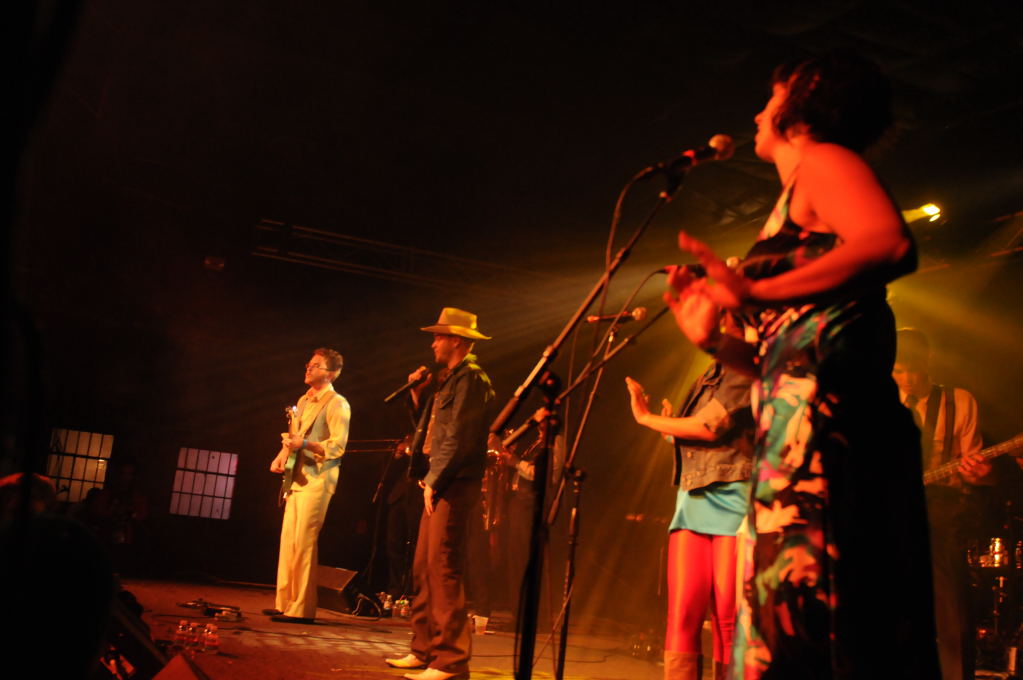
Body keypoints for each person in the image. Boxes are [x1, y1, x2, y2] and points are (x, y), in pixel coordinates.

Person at [663, 51, 940, 678]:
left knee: (829, 633)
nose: (757, 113)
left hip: (833, 446)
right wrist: (714, 342)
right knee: (795, 635)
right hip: (791, 449)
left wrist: (754, 291)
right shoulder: (792, 198)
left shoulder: (823, 159)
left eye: (771, 95)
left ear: (805, 98)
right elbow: (787, 361)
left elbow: (891, 242)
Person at [625, 358, 754, 680]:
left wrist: (646, 418)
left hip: (734, 496)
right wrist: (669, 428)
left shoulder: (744, 368)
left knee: (727, 618)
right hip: (692, 498)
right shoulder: (709, 373)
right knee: (682, 614)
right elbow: (699, 437)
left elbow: (708, 428)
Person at [385, 307, 495, 680]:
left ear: (457, 340)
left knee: (443, 566)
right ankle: (424, 648)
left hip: (453, 481)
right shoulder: (449, 380)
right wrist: (418, 396)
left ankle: (450, 660)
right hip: (438, 478)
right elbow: (430, 431)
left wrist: (435, 480)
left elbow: (459, 436)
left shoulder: (472, 379)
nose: (433, 343)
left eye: (438, 336)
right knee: (423, 567)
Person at [893, 328, 992, 680]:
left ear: (928, 361)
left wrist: (979, 474)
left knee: (951, 610)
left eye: (912, 369)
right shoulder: (879, 403)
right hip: (889, 512)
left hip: (940, 511)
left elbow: (975, 469)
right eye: (898, 370)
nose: (906, 379)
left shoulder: (959, 401)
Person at [266, 348, 350, 623]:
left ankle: (301, 609)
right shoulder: (303, 400)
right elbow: (294, 436)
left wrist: (305, 444)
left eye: (316, 365)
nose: (308, 368)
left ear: (332, 373)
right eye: (309, 364)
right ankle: (284, 603)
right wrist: (282, 455)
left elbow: (337, 446)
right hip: (297, 476)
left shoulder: (337, 404)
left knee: (304, 541)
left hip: (318, 479)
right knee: (289, 540)